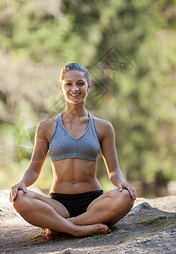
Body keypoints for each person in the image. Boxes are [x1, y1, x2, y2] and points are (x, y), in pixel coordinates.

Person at [9, 62, 136, 238]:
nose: (74, 88)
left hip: (94, 202)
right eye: (69, 84)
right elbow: (33, 168)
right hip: (59, 204)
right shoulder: (46, 127)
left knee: (126, 197)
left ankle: (61, 227)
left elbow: (113, 170)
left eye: (80, 83)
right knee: (20, 199)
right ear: (61, 87)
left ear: (88, 86)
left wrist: (121, 182)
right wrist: (23, 183)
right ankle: (80, 229)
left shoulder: (103, 127)